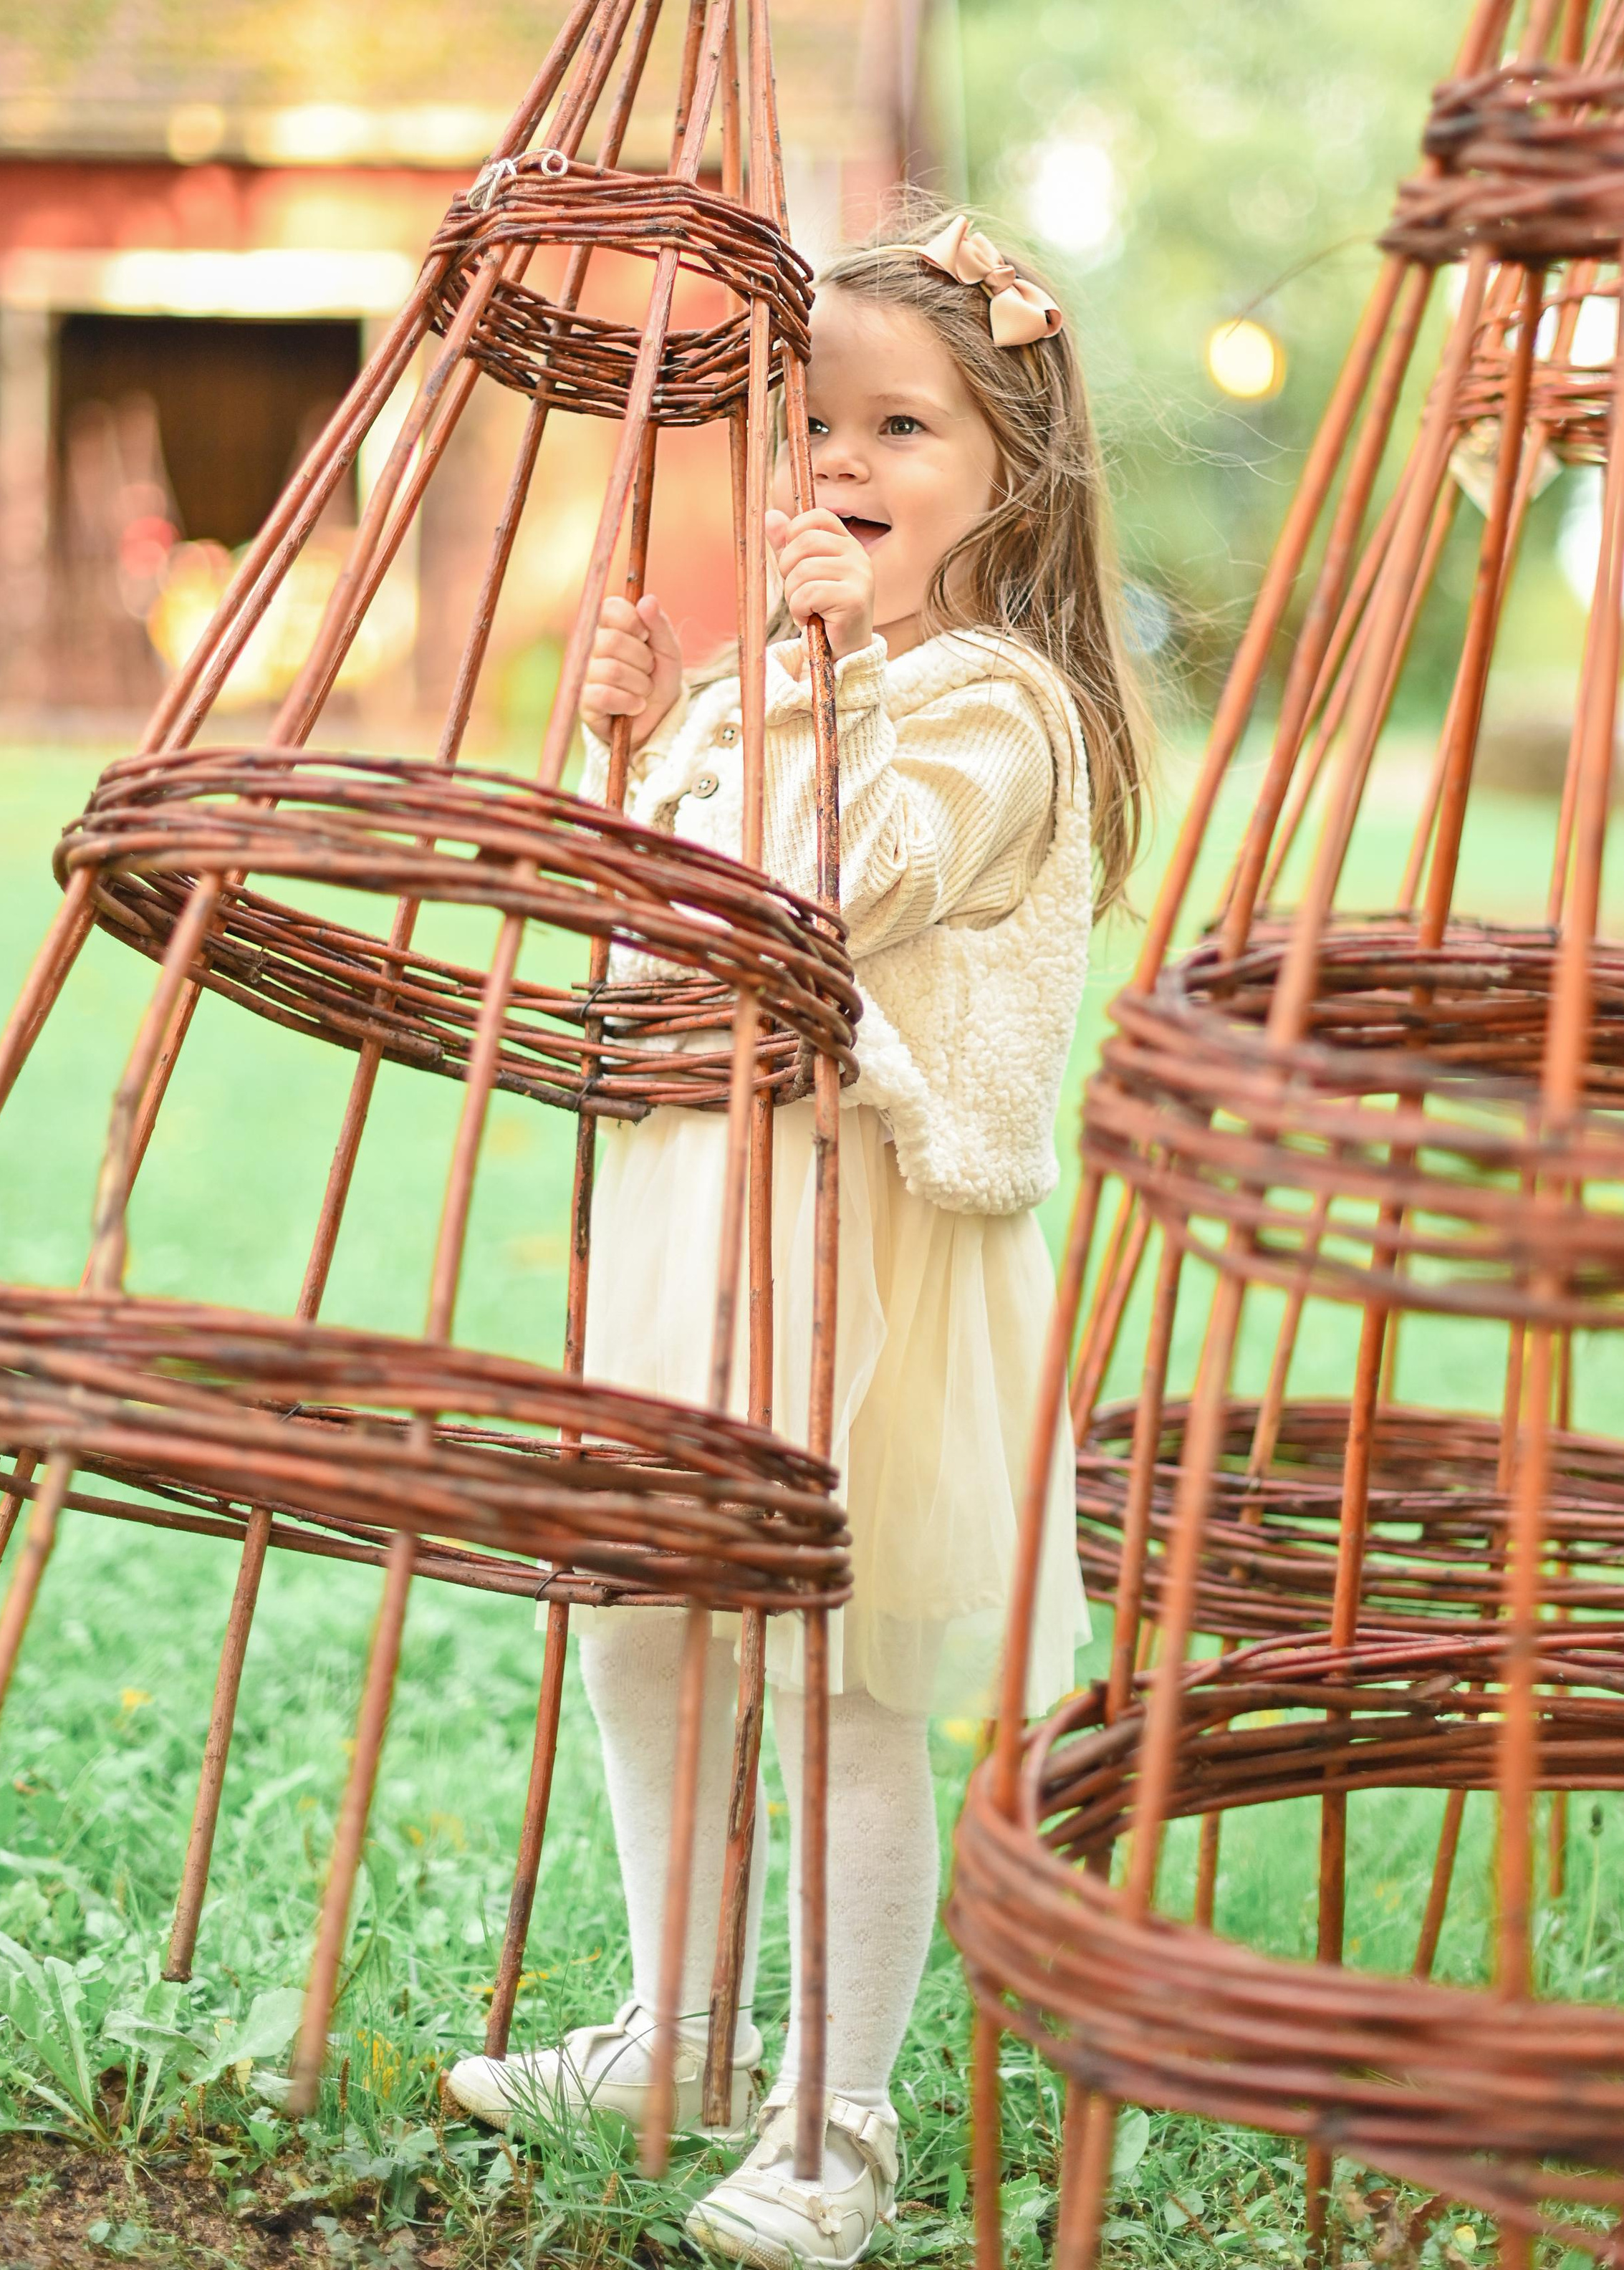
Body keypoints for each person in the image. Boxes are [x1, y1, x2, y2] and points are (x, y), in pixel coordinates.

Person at [446, 203, 1146, 2267]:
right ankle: (672, 2024)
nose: (837, 463)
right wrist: (643, 735)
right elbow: (671, 899)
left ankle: (834, 2116)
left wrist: (816, 690)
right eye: (810, 424)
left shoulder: (1002, 707)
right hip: (702, 1204)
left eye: (899, 427)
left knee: (834, 1671)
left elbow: (857, 889)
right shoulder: (778, 676)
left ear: (1009, 468)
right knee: (645, 1616)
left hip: (858, 1239)